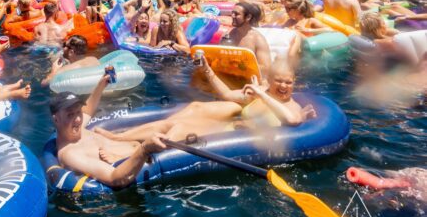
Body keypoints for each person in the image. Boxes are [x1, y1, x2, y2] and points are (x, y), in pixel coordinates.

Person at [95, 59, 315, 145]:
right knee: (171, 123)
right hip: (230, 127)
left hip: (237, 139)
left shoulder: (291, 106)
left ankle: (131, 149)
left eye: (288, 82)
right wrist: (207, 69)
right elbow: (229, 95)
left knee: (179, 129)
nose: (284, 86)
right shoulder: (262, 91)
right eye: (279, 81)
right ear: (271, 80)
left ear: (294, 82)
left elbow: (292, 121)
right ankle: (119, 137)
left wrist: (263, 94)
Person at [51, 77, 167, 189]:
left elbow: (88, 110)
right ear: (56, 119)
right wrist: (144, 149)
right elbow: (114, 179)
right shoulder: (70, 154)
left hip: (143, 147)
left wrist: (101, 85)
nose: (78, 119)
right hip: (146, 156)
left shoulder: (75, 128)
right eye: (70, 114)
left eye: (78, 112)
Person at [222, 2, 272, 76]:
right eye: (232, 13)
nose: (232, 16)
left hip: (248, 79)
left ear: (248, 17)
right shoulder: (228, 34)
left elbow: (266, 68)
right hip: (229, 76)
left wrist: (239, 67)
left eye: (236, 14)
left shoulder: (257, 39)